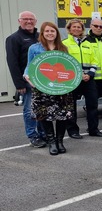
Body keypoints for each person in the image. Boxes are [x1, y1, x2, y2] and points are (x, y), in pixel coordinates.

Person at [23, 22, 74, 155]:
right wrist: (27, 76)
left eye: (52, 31)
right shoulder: (34, 48)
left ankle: (60, 141)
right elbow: (29, 66)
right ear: (42, 33)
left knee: (62, 115)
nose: (50, 33)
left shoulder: (63, 48)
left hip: (61, 87)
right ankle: (52, 142)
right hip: (42, 87)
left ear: (56, 33)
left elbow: (69, 66)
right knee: (45, 115)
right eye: (47, 31)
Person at [5, 11, 45, 147]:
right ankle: (33, 135)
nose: (28, 21)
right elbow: (12, 62)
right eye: (25, 19)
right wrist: (19, 83)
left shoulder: (41, 37)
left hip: (43, 81)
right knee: (30, 110)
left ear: (36, 21)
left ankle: (43, 133)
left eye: (31, 19)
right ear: (19, 21)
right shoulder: (14, 38)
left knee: (42, 108)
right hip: (27, 82)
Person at [64, 19, 102, 138]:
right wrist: (77, 75)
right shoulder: (64, 44)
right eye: (74, 27)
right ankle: (73, 131)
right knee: (71, 106)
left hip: (88, 79)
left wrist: (90, 74)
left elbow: (95, 61)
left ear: (82, 29)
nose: (76, 29)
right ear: (69, 29)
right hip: (72, 79)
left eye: (79, 27)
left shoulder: (88, 44)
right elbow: (63, 62)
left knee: (92, 105)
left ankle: (93, 129)